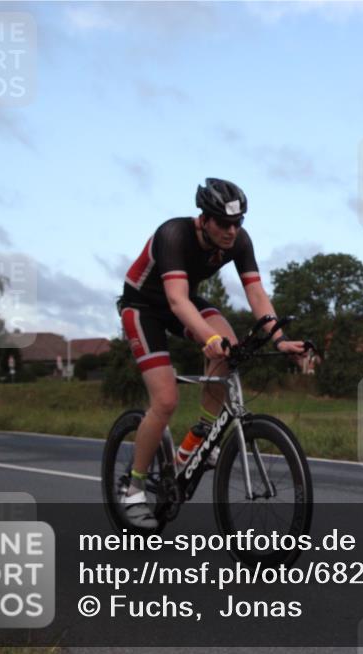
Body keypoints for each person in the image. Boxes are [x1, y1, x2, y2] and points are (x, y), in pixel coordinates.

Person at [117, 178, 306, 529]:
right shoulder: (173, 234)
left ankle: (200, 437)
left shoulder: (238, 240)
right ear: (204, 218)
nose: (232, 231)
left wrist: (280, 339)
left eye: (238, 223)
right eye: (224, 223)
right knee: (166, 400)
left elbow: (257, 295)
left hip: (183, 302)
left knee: (229, 349)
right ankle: (134, 488)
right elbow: (175, 299)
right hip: (144, 307)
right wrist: (209, 338)